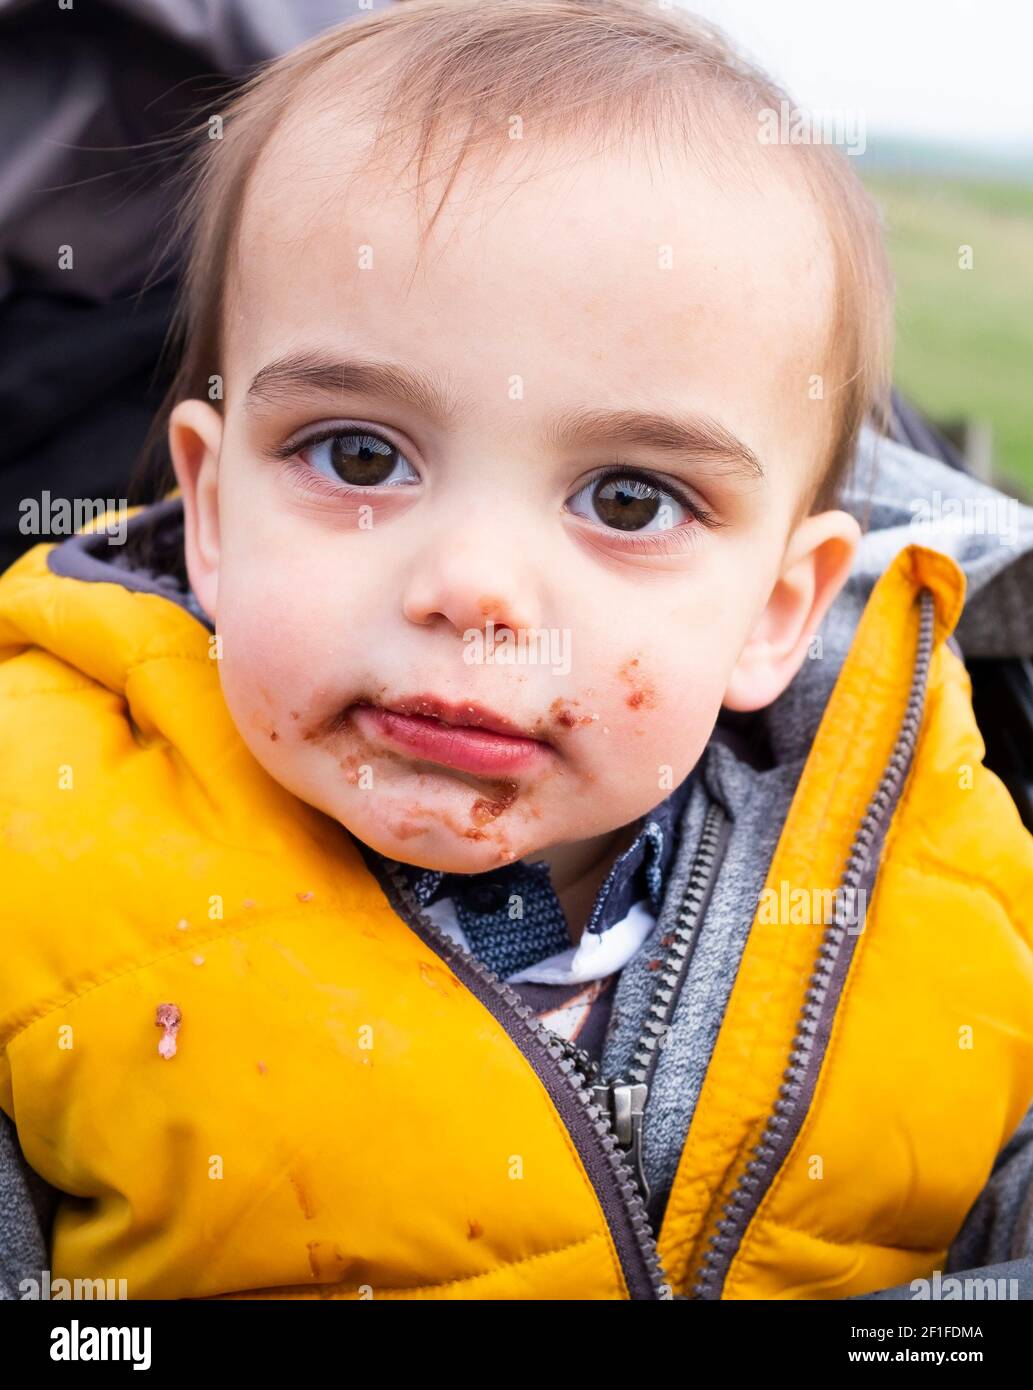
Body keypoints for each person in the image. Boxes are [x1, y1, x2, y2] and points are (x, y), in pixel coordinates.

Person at [2, 0, 1032, 1302]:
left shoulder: (936, 864)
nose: (474, 590)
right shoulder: (34, 845)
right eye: (360, 455)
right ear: (208, 513)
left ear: (777, 607)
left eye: (627, 500)